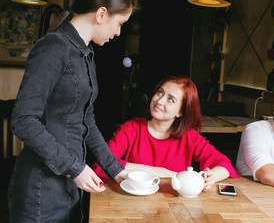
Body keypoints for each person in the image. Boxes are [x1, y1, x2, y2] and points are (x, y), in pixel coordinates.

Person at [9, 0, 132, 223]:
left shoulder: (85, 54)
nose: (118, 33)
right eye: (120, 23)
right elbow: (23, 120)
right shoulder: (53, 48)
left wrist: (116, 169)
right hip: (42, 185)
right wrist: (74, 167)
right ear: (102, 13)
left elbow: (85, 119)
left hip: (67, 183)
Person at [92, 76, 239, 190]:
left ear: (181, 111)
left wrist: (211, 177)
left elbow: (225, 164)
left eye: (170, 99)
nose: (159, 101)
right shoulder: (131, 128)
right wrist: (154, 171)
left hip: (173, 207)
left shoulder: (189, 136)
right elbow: (100, 166)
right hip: (133, 203)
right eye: (160, 92)